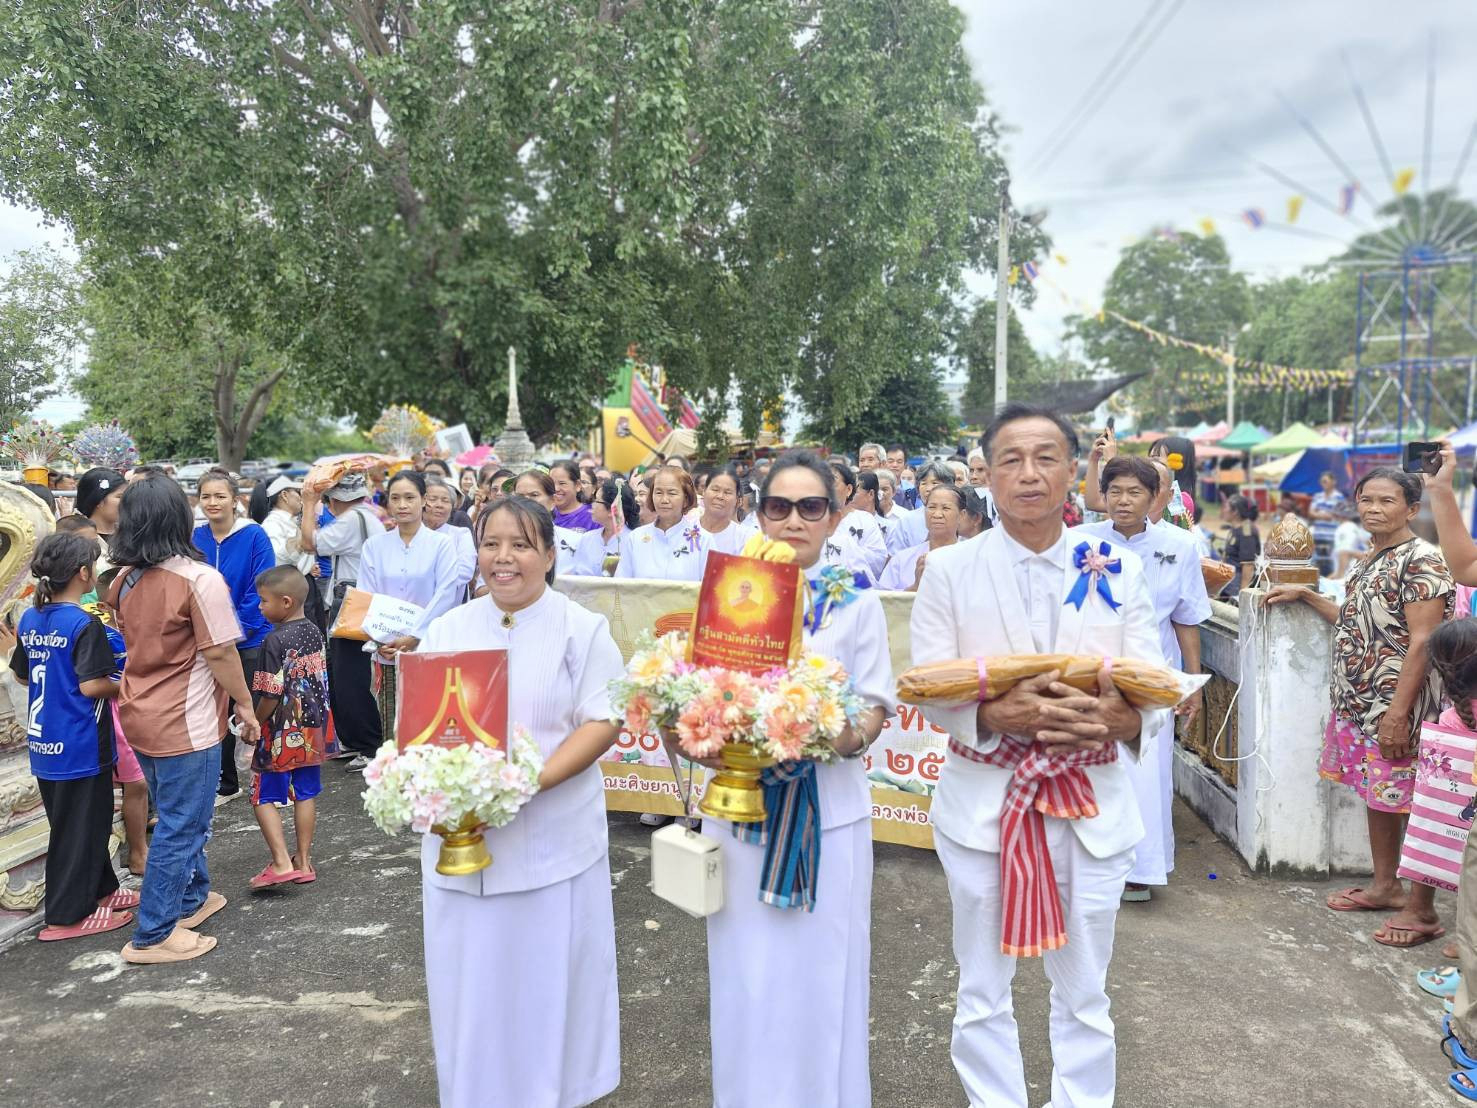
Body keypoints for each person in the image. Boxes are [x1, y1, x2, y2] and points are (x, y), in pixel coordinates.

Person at [910, 403, 1168, 1108]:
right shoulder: (949, 570)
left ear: (1072, 470)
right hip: (982, 806)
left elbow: (1150, 673)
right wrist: (991, 713)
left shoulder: (1112, 561)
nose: (1029, 474)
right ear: (986, 474)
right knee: (982, 986)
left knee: (1085, 990)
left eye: (1045, 457)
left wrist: (1121, 716)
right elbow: (929, 683)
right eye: (1011, 459)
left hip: (1092, 800)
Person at [416, 497, 623, 1108]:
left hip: (553, 845)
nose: (503, 558)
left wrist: (525, 783)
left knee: (547, 987)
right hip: (461, 846)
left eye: (522, 545)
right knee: (471, 990)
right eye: (491, 544)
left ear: (551, 554)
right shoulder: (449, 629)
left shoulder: (581, 628)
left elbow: (602, 720)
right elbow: (422, 728)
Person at [702, 450, 891, 1108]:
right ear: (759, 513)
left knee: (822, 977)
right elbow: (698, 693)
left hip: (828, 817)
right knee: (744, 977)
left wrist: (830, 735)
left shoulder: (854, 598)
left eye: (810, 507)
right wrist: (699, 732)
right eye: (777, 506)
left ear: (835, 515)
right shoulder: (731, 591)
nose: (792, 520)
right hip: (739, 810)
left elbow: (873, 706)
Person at [1267, 466, 1453, 948]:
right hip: (1360, 704)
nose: (1373, 509)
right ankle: (1386, 886)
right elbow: (1356, 620)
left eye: (1387, 501)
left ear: (1412, 509)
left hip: (1401, 707)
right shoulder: (1371, 557)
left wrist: (1397, 712)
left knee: (1416, 802)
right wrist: (1307, 594)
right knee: (1381, 796)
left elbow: (1423, 640)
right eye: (1366, 500)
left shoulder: (1422, 560)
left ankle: (1422, 909)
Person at [108, 474, 261, 964]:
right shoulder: (198, 579)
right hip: (186, 720)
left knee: (176, 814)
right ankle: (152, 933)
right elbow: (219, 653)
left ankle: (192, 899)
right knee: (184, 824)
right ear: (180, 517)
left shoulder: (123, 580)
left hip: (140, 713)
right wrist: (244, 703)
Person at [1081, 456, 1210, 901]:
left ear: (1156, 496)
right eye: (1114, 490)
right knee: (1090, 764)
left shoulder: (1180, 545)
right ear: (1102, 495)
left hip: (1152, 672)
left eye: (1135, 491)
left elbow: (1187, 616)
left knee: (1145, 771)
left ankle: (1141, 869)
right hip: (1088, 672)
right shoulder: (1079, 542)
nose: (1123, 500)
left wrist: (1191, 683)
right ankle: (1087, 862)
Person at [9, 531, 136, 941]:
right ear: (84, 573)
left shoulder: (31, 618)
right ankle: (67, 915)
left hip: (46, 743)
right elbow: (92, 685)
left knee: (86, 823)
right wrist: (130, 685)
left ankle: (104, 890)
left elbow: (20, 673)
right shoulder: (84, 623)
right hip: (80, 742)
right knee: (78, 830)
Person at [359, 471, 463, 745]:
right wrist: (380, 637)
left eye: (409, 497)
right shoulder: (374, 546)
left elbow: (446, 594)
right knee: (392, 724)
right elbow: (366, 597)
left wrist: (415, 635)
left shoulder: (442, 544)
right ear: (388, 503)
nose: (402, 505)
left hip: (428, 645)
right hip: (388, 648)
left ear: (423, 501)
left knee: (430, 718)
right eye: (396, 498)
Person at [244, 565, 331, 888]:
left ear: (285, 602)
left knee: (262, 795)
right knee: (306, 793)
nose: (259, 607)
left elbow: (270, 692)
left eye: (263, 601)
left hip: (280, 730)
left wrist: (254, 720)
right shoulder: (313, 632)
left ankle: (281, 862)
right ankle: (304, 861)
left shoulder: (273, 641)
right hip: (313, 728)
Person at [193, 469, 275, 799]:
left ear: (235, 500)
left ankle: (269, 783)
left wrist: (233, 630)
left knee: (254, 712)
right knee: (217, 713)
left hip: (250, 639)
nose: (213, 503)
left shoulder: (254, 536)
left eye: (220, 496)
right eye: (206, 496)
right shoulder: (195, 538)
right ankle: (227, 782)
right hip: (209, 642)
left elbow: (261, 588)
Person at [300, 473, 383, 770]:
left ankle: (369, 743)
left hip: (351, 600)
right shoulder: (366, 516)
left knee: (350, 676)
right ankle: (355, 740)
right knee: (343, 673)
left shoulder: (350, 520)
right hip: (353, 598)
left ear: (335, 500)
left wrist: (308, 503)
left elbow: (309, 542)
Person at [614, 466, 707, 581]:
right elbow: (621, 584)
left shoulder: (703, 540)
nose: (664, 500)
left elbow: (710, 591)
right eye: (658, 493)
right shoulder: (635, 538)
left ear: (686, 499)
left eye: (672, 493)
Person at [878, 483, 964, 591]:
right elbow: (883, 600)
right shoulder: (901, 560)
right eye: (932, 507)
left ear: (961, 515)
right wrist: (915, 587)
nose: (937, 514)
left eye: (945, 508)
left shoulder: (971, 559)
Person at [570, 479, 640, 577]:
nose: (592, 504)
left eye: (597, 501)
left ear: (613, 509)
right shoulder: (587, 538)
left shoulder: (633, 540)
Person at [423, 475, 478, 598]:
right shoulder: (410, 534)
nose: (439, 505)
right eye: (433, 499)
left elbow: (464, 572)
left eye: (445, 500)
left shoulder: (461, 534)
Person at [893, 462, 956, 550]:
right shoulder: (906, 520)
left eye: (935, 483)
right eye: (923, 483)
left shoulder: (959, 516)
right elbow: (897, 556)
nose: (928, 489)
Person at [694, 465, 747, 555]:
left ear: (737, 499)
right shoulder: (685, 529)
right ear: (704, 491)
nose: (720, 496)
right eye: (715, 489)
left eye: (727, 492)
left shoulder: (744, 539)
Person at [1219, 494, 1262, 602]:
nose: (1223, 510)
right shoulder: (1235, 528)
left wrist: (1243, 595)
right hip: (1228, 582)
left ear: (1235, 512)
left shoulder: (1246, 531)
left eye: (1226, 507)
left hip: (1236, 586)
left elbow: (1248, 565)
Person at [1309, 471, 1349, 576]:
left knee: (1332, 563)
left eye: (1326, 481)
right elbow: (1311, 513)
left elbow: (1340, 514)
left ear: (1333, 482)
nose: (1323, 483)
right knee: (1316, 562)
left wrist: (1320, 513)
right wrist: (1325, 515)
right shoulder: (1317, 496)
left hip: (1332, 535)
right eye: (1322, 481)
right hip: (1318, 534)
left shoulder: (1339, 497)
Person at [549, 460, 597, 532]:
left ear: (577, 485)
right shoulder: (544, 514)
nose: (556, 489)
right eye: (551, 483)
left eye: (562, 483)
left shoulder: (593, 516)